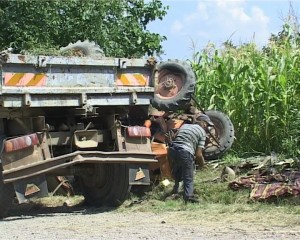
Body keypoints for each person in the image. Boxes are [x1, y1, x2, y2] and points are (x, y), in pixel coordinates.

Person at [168, 114, 213, 203]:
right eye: (207, 125)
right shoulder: (202, 132)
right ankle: (188, 196)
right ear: (203, 123)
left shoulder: (185, 126)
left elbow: (175, 137)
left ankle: (175, 192)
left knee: (178, 171)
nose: (207, 128)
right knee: (188, 175)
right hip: (185, 151)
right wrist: (203, 166)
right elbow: (199, 154)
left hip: (172, 150)